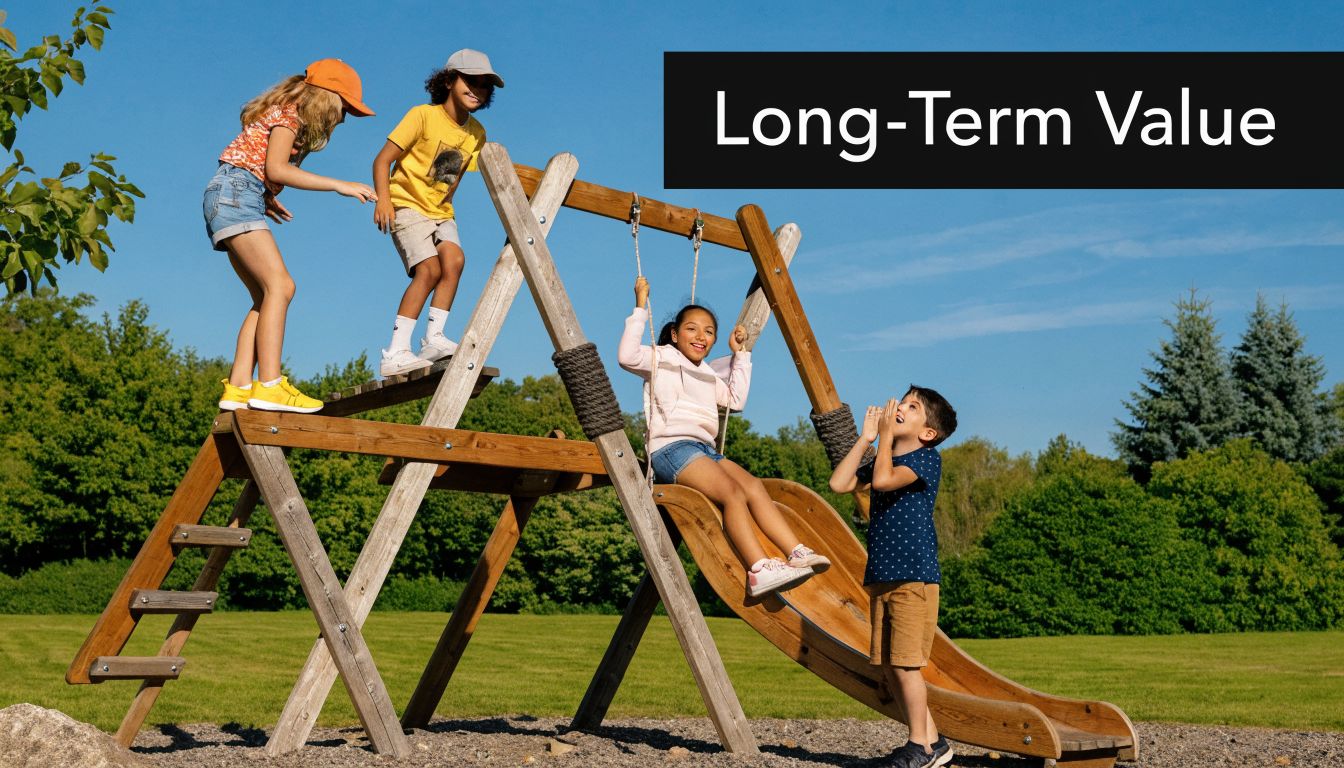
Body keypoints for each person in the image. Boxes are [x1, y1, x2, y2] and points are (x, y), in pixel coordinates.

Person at [618, 276, 830, 597]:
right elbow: (627, 357)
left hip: (706, 451)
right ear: (674, 335)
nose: (701, 336)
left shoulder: (706, 373)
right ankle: (758, 568)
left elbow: (735, 400)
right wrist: (640, 307)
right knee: (731, 493)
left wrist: (740, 354)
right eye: (692, 329)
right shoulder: (661, 357)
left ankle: (795, 551)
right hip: (670, 448)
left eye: (709, 332)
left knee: (753, 487)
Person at [207, 59, 377, 413]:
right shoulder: (290, 114)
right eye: (345, 108)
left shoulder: (285, 114)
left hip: (234, 193)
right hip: (237, 193)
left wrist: (266, 196)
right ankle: (270, 384)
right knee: (282, 287)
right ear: (328, 98)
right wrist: (339, 185)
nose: (344, 118)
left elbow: (262, 170)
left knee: (265, 295)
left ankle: (238, 387)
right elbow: (276, 167)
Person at [829, 388, 958, 768]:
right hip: (884, 577)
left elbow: (883, 481)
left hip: (912, 578)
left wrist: (883, 438)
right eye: (903, 401)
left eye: (912, 407)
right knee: (889, 664)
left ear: (928, 433)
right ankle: (935, 745)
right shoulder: (883, 456)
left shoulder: (926, 460)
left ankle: (919, 746)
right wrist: (866, 438)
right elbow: (839, 483)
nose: (900, 407)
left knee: (905, 663)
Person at [371, 49, 502, 377]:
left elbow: (451, 178)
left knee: (455, 261)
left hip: (440, 210)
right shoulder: (422, 116)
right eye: (469, 81)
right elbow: (382, 160)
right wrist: (383, 200)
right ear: (448, 80)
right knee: (428, 269)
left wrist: (446, 212)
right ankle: (396, 351)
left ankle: (434, 338)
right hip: (406, 203)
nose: (476, 89)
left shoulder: (476, 133)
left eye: (484, 85)